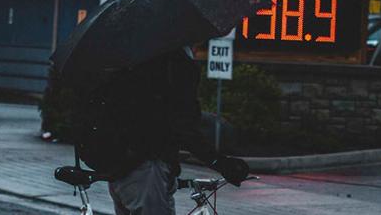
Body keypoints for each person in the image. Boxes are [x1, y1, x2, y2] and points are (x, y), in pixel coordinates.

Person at [74, 46, 250, 215]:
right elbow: (183, 125)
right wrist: (219, 162)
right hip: (146, 171)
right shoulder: (173, 65)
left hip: (120, 169)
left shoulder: (132, 59)